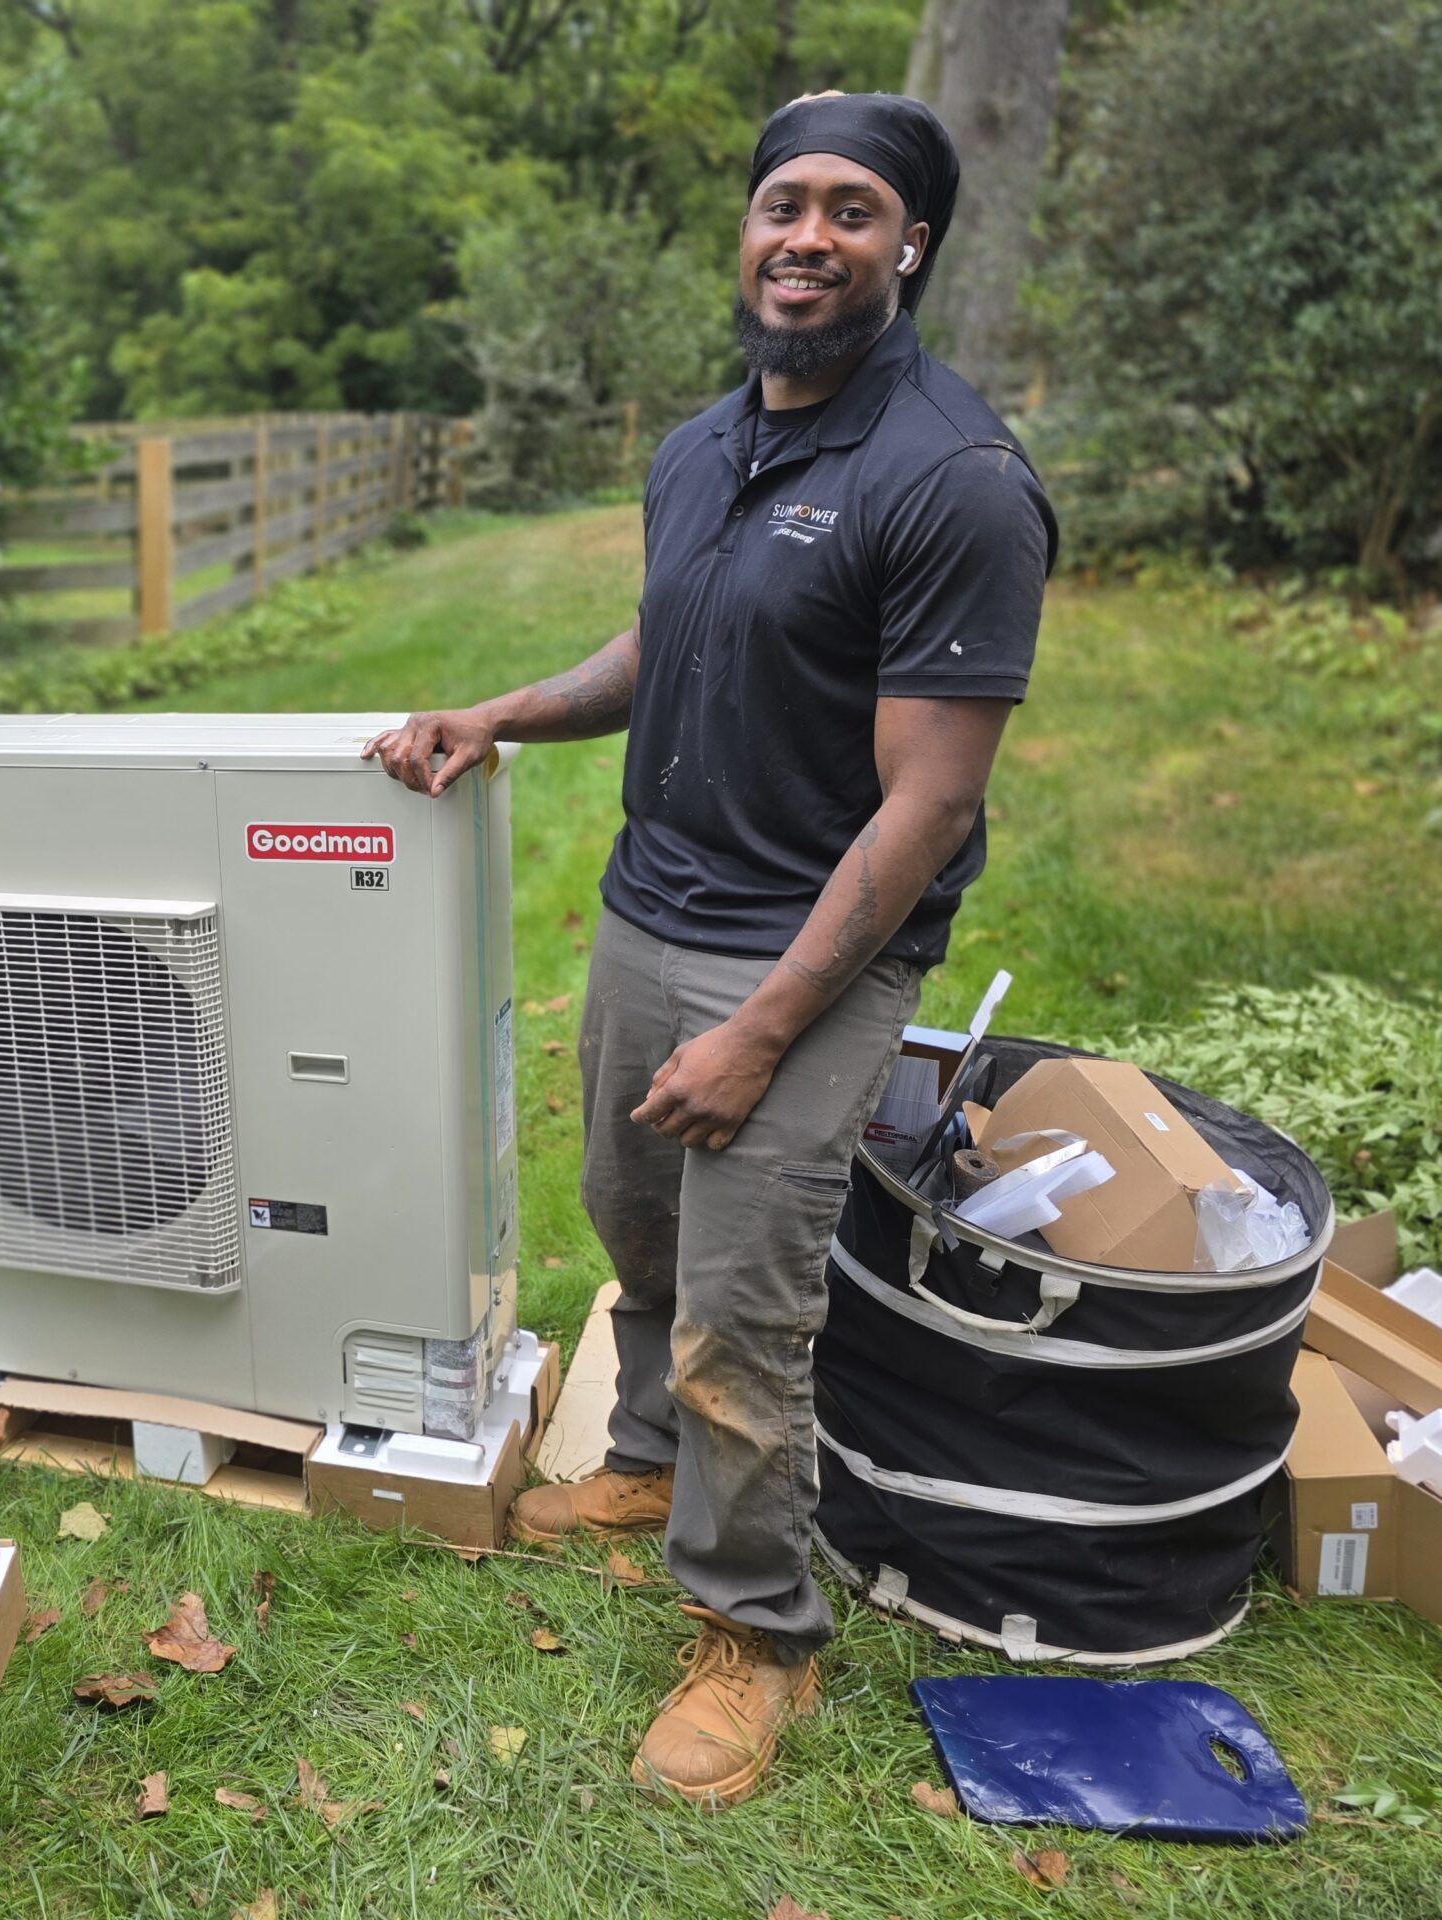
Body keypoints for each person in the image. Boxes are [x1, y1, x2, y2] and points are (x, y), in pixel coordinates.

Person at [365, 91, 1056, 1809]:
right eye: (781, 204)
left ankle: (755, 1636)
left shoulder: (955, 482)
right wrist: (502, 712)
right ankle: (643, 1459)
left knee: (747, 1310)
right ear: (746, 233)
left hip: (807, 953)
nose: (807, 235)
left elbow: (929, 807)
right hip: (648, 906)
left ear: (910, 247)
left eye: (851, 211)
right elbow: (665, 636)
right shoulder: (703, 447)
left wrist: (761, 1029)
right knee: (638, 1221)